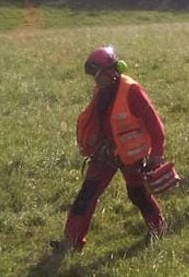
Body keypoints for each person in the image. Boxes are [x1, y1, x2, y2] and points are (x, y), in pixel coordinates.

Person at [51, 46, 167, 252]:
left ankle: (158, 228)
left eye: (96, 75)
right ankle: (71, 242)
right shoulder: (102, 89)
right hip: (105, 152)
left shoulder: (132, 91)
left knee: (137, 194)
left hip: (130, 154)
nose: (94, 80)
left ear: (110, 71)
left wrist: (157, 154)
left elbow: (154, 123)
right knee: (86, 195)